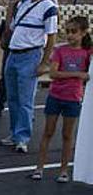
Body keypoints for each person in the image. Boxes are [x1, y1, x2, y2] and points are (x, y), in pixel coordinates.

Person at [0, 0, 58, 153]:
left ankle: (23, 137)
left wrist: (44, 62)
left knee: (25, 99)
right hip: (14, 54)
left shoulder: (48, 7)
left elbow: (51, 36)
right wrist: (11, 7)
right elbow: (11, 27)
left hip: (30, 55)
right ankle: (15, 133)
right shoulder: (23, 4)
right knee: (13, 98)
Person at [30, 16, 91, 182]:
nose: (70, 35)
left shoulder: (87, 53)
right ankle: (39, 167)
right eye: (68, 31)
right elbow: (53, 73)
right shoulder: (60, 51)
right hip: (56, 96)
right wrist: (77, 74)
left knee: (67, 135)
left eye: (74, 32)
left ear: (84, 33)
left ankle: (64, 169)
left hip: (73, 98)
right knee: (48, 132)